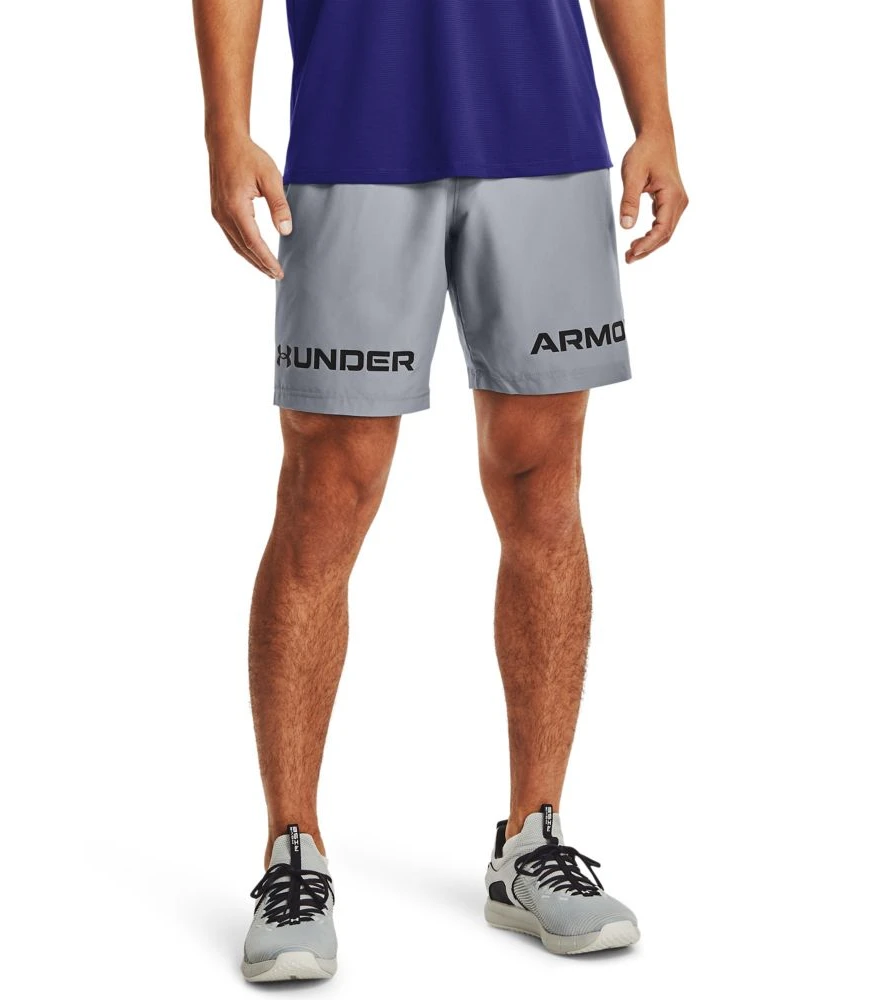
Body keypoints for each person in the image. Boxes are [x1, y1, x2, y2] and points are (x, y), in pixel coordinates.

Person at [193, 0, 687, 981]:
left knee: (544, 480)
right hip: (354, 134)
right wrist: (225, 127)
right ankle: (292, 851)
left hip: (544, 135)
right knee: (328, 488)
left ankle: (532, 840)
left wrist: (656, 118)